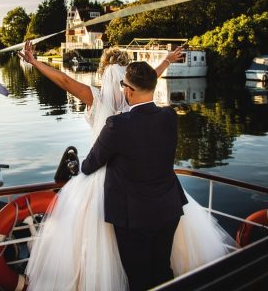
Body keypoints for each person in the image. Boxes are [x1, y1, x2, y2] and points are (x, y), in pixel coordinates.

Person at [20, 41, 232, 290]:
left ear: (106, 72)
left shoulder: (97, 99)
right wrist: (165, 60)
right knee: (160, 265)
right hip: (159, 197)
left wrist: (35, 62)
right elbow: (147, 84)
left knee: (120, 261)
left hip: (111, 188)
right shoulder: (146, 102)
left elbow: (65, 81)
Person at [81, 61, 186, 290]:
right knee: (162, 270)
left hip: (134, 217)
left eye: (123, 85)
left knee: (138, 279)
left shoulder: (117, 125)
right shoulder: (170, 116)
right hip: (168, 208)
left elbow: (91, 164)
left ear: (128, 90)